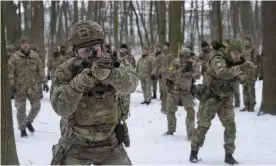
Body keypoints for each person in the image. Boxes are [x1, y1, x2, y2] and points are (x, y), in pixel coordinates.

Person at [50, 20, 138, 165]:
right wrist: (79, 83)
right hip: (75, 144)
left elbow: (131, 85)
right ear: (75, 52)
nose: (91, 54)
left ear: (102, 46)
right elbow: (61, 108)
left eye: (95, 48)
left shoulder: (115, 62)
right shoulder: (65, 70)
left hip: (110, 143)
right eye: (85, 51)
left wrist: (110, 75)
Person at [190, 40, 246, 165]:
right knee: (203, 127)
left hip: (225, 99)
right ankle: (194, 152)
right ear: (229, 51)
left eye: (239, 54)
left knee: (230, 126)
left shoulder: (235, 63)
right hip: (211, 98)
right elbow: (223, 73)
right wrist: (238, 68)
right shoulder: (217, 59)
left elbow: (243, 79)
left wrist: (245, 69)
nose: (237, 56)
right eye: (235, 54)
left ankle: (229, 155)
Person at [8, 37, 49, 137]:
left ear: (29, 45)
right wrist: (11, 85)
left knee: (36, 107)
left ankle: (28, 121)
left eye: (26, 43)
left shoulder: (35, 56)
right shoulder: (14, 57)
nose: (25, 45)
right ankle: (22, 129)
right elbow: (10, 72)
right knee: (20, 110)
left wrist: (45, 82)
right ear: (20, 45)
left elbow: (40, 70)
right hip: (20, 87)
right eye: (23, 43)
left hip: (33, 87)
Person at [164, 48, 200, 140]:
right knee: (171, 110)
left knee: (190, 111)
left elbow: (198, 75)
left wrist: (191, 69)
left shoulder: (193, 63)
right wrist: (182, 70)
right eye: (186, 57)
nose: (187, 59)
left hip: (186, 91)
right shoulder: (175, 62)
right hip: (174, 91)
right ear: (182, 57)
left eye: (189, 57)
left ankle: (191, 133)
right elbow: (169, 74)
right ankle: (170, 130)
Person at [224, 39, 240, 107]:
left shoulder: (234, 51)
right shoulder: (224, 52)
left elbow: (238, 60)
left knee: (236, 89)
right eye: (224, 43)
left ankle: (237, 103)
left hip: (234, 70)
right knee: (229, 89)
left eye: (226, 43)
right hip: (228, 72)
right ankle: (230, 103)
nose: (225, 44)